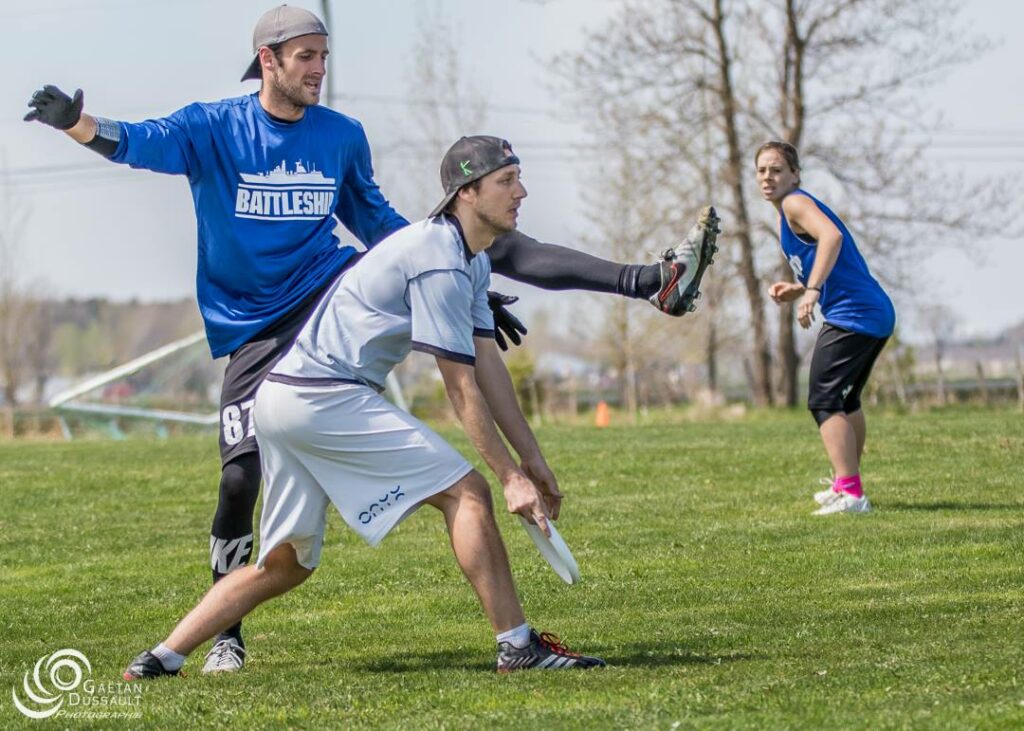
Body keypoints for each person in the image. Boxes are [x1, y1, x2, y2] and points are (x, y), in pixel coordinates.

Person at [24, 5, 719, 673]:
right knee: (241, 480)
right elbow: (141, 142)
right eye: (307, 58)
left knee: (482, 234)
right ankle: (223, 635)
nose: (319, 69)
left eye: (324, 57)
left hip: (326, 290)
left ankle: (647, 280)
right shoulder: (214, 127)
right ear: (266, 61)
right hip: (257, 330)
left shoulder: (341, 134)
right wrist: (78, 123)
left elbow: (380, 222)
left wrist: (456, 269)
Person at [122, 135, 607, 679]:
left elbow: (488, 367)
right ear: (466, 194)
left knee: (286, 564)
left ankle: (161, 657)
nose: (522, 192)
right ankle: (517, 647)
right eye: (507, 181)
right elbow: (461, 389)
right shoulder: (440, 260)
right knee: (468, 493)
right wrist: (508, 477)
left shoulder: (466, 259)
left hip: (284, 399)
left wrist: (531, 458)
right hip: (325, 395)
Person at [756, 141, 895, 515]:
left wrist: (812, 291)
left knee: (823, 400)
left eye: (776, 170)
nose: (768, 177)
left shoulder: (794, 203)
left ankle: (851, 493)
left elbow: (831, 237)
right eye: (762, 170)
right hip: (871, 313)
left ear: (794, 175)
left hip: (856, 315)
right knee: (846, 401)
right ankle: (846, 483)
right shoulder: (789, 210)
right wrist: (799, 287)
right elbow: (836, 257)